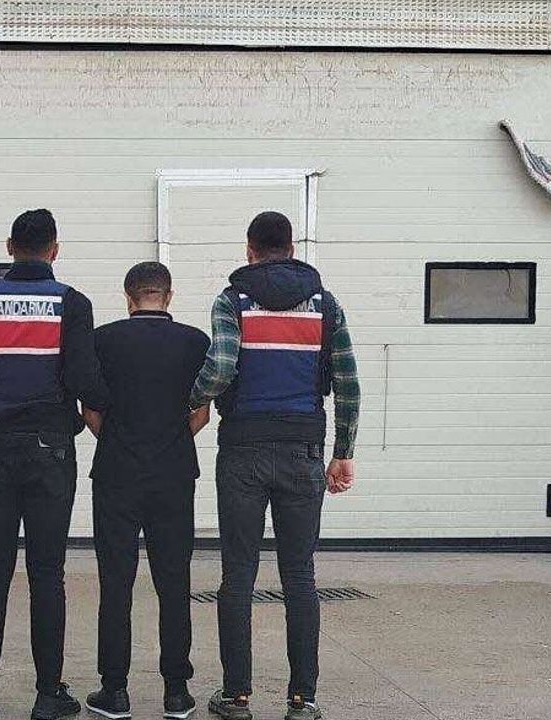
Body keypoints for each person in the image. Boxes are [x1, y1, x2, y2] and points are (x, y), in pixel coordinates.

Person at [187, 211, 360, 720]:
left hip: (243, 449)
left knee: (238, 574)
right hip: (304, 450)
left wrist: (188, 401)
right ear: (291, 247)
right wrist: (343, 451)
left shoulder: (232, 301)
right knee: (300, 575)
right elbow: (347, 383)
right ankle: (302, 700)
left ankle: (236, 696)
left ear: (250, 250)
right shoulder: (325, 305)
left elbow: (220, 368)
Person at [0, 208, 108, 720]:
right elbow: (85, 380)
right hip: (50, 452)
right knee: (47, 573)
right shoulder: (72, 304)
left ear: (10, 247)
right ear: (55, 249)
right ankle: (48, 693)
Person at [80, 262, 211, 720]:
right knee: (174, 582)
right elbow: (201, 414)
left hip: (116, 473)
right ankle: (176, 692)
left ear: (128, 296)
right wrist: (167, 444)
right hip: (173, 474)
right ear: (168, 296)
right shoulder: (195, 342)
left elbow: (90, 411)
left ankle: (114, 691)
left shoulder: (102, 340)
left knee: (115, 583)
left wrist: (120, 442)